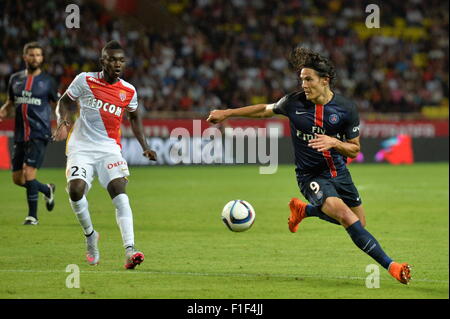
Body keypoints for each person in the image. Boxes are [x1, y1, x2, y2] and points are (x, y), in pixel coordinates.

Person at [207, 47, 412, 284]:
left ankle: (304, 211)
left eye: (308, 79)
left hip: (339, 172)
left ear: (324, 81)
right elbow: (264, 110)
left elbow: (355, 149)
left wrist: (334, 142)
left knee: (360, 222)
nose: (303, 84)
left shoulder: (346, 109)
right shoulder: (293, 103)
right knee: (346, 216)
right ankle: (392, 266)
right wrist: (228, 113)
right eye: (302, 79)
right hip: (310, 176)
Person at [53, 40, 157, 269]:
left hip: (109, 148)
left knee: (119, 190)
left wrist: (145, 146)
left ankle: (130, 250)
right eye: (112, 59)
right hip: (81, 147)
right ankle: (90, 236)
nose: (117, 64)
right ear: (103, 61)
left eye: (121, 60)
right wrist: (62, 120)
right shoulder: (85, 80)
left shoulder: (128, 90)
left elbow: (134, 117)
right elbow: (64, 101)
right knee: (75, 189)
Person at [0, 42, 57, 225]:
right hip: (19, 134)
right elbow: (10, 102)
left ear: (42, 58)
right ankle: (47, 190)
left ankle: (32, 216)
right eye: (31, 55)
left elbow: (58, 105)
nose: (35, 58)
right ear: (25, 57)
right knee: (18, 178)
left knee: (29, 173)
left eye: (38, 55)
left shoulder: (48, 81)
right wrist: (3, 111)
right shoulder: (15, 79)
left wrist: (61, 123)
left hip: (39, 133)